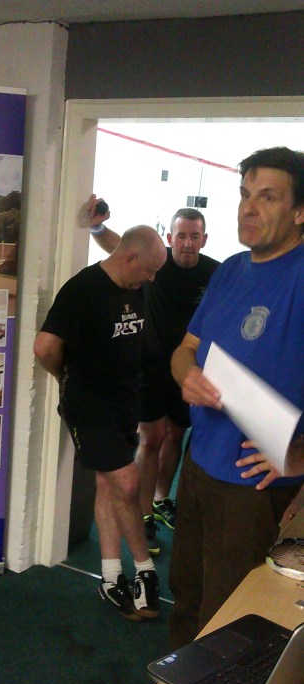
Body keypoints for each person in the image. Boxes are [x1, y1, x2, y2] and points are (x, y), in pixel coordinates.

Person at [169, 146, 304, 648]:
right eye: (245, 195)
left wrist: (300, 456)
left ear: (299, 211)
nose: (248, 208)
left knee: (226, 620)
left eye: (267, 197)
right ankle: (176, 678)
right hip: (199, 463)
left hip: (251, 485)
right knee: (186, 594)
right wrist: (187, 375)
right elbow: (185, 350)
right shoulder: (229, 269)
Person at [34, 225, 167, 621]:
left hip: (124, 403)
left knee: (109, 483)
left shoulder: (134, 285)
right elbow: (45, 347)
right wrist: (66, 377)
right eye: (148, 270)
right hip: (90, 407)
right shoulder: (82, 290)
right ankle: (145, 570)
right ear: (130, 258)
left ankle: (110, 579)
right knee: (127, 482)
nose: (151, 279)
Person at [88, 198, 219, 554]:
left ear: (204, 239)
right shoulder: (156, 263)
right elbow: (119, 247)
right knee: (152, 438)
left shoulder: (216, 273)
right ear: (170, 238)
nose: (188, 243)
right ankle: (144, 513)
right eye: (181, 236)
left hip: (188, 369)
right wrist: (97, 226)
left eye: (194, 236)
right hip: (148, 367)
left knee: (175, 434)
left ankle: (162, 500)